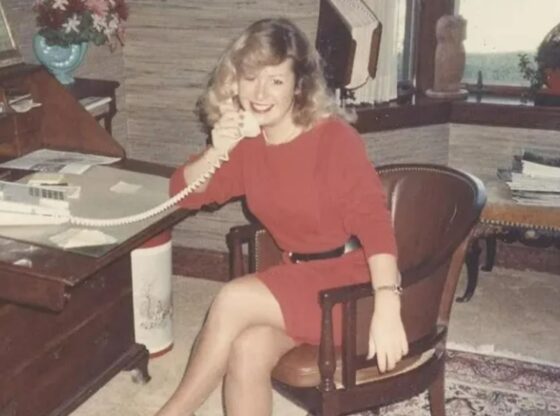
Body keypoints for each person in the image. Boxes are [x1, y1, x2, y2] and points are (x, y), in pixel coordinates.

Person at [160, 17, 408, 416]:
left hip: (351, 286)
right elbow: (181, 194)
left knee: (233, 298)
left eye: (275, 80)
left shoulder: (334, 139)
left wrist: (387, 304)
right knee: (247, 349)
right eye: (250, 77)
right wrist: (217, 149)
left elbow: (375, 224)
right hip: (299, 281)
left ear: (298, 86)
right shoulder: (248, 145)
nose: (260, 93)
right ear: (234, 82)